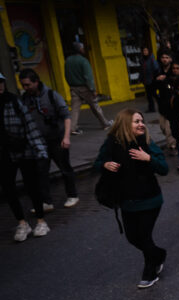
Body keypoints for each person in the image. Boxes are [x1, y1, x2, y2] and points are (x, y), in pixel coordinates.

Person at [93, 109, 169, 288]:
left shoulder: (147, 143)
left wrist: (148, 158)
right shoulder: (112, 143)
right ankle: (158, 255)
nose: (141, 124)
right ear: (125, 124)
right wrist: (105, 164)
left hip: (150, 200)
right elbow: (97, 163)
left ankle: (149, 272)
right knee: (132, 238)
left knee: (144, 236)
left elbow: (164, 169)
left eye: (142, 121)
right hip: (126, 201)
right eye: (136, 121)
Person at [0, 72, 49, 241]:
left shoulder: (14, 102)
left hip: (23, 150)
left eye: (1, 82)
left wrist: (40, 150)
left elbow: (30, 126)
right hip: (4, 153)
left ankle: (41, 221)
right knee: (8, 188)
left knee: (31, 186)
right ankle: (22, 223)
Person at [19, 69, 78, 209]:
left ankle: (72, 195)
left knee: (65, 168)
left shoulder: (52, 95)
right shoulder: (25, 99)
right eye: (23, 85)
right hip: (39, 142)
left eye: (27, 85)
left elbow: (66, 116)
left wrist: (66, 137)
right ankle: (46, 202)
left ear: (36, 82)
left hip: (57, 139)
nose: (25, 88)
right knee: (41, 171)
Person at [64, 41, 111, 133]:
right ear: (80, 49)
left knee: (75, 109)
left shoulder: (68, 60)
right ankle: (105, 124)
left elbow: (66, 75)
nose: (84, 49)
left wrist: (71, 85)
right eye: (83, 48)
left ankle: (72, 128)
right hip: (85, 88)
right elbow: (88, 77)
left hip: (73, 88)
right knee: (95, 106)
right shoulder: (83, 61)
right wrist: (93, 89)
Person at [140, 47, 160, 113]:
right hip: (146, 80)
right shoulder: (142, 59)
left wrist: (154, 78)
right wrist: (140, 78)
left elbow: (156, 68)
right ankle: (151, 108)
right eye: (144, 51)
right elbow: (142, 70)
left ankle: (160, 105)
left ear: (149, 51)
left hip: (152, 80)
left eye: (146, 50)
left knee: (153, 94)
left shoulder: (151, 58)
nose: (145, 52)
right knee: (149, 95)